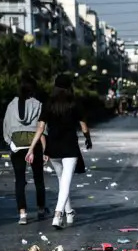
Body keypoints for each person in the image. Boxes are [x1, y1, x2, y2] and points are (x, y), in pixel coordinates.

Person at [25, 74, 92, 229]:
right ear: (69, 87)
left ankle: (69, 213)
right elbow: (84, 127)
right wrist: (88, 139)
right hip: (70, 146)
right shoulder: (74, 103)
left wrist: (31, 148)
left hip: (53, 146)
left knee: (62, 181)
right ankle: (57, 214)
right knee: (66, 181)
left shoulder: (49, 104)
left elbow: (40, 128)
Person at [3, 75, 48, 225]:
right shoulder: (38, 104)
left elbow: (6, 127)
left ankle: (22, 214)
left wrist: (11, 142)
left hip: (17, 145)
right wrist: (44, 148)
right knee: (38, 179)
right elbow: (42, 128)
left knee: (19, 181)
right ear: (33, 89)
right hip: (34, 145)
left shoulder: (11, 105)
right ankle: (41, 209)